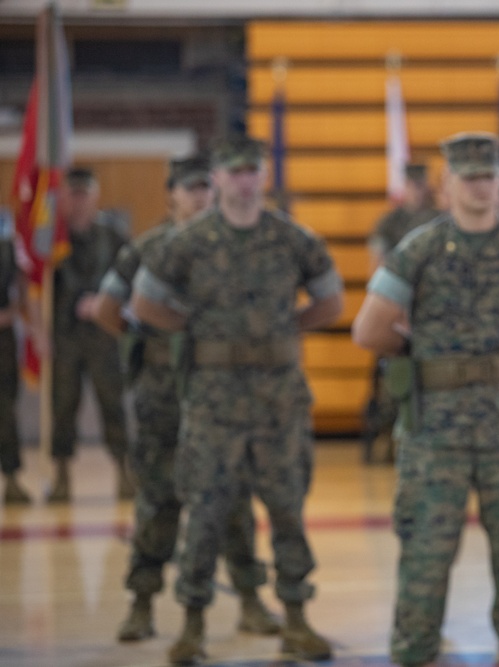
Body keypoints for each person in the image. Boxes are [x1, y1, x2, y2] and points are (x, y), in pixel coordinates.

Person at [352, 131, 499, 667]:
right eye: (468, 178)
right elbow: (368, 328)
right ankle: (415, 649)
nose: (480, 186)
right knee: (426, 549)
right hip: (436, 429)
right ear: (446, 185)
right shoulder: (419, 246)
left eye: (488, 177)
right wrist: (418, 351)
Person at [130, 136, 343, 664]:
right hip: (213, 401)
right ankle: (193, 626)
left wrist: (283, 331)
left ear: (262, 177)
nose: (244, 181)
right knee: (205, 511)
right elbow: (143, 302)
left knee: (287, 510)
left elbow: (332, 301)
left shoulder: (292, 239)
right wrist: (196, 332)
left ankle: (296, 619)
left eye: (252, 171)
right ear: (218, 179)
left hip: (278, 401)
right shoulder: (189, 240)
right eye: (233, 172)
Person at [93, 154, 280, 643]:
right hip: (163, 395)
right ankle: (142, 602)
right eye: (189, 188)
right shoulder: (147, 248)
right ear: (171, 194)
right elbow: (107, 308)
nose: (199, 196)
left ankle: (251, 599)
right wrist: (144, 342)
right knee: (159, 498)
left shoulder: (233, 247)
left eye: (205, 187)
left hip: (222, 393)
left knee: (235, 496)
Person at [48, 167, 132, 503]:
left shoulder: (112, 238)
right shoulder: (51, 241)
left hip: (104, 338)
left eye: (85, 194)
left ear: (95, 196)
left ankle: (125, 472)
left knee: (113, 405)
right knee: (62, 408)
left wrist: (104, 304)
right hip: (64, 340)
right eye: (73, 194)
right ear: (64, 198)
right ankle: (61, 477)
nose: (79, 201)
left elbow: (133, 283)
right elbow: (36, 290)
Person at [364, 162, 441, 464]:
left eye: (421, 183)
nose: (416, 189)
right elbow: (377, 265)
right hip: (395, 311)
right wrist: (391, 311)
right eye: (411, 183)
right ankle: (390, 437)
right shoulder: (389, 222)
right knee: (393, 381)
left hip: (429, 312)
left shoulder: (438, 218)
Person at [1, 210, 32, 504]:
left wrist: (17, 313)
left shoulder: (8, 236)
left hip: (3, 337)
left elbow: (23, 281)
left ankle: (11, 479)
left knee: (5, 410)